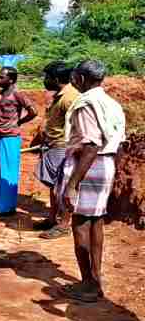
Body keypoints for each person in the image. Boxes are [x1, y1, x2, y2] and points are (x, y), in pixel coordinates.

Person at [57, 60, 125, 303]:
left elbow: (91, 144)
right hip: (105, 164)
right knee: (95, 223)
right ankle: (95, 279)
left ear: (83, 78)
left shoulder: (86, 104)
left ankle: (89, 284)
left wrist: (73, 184)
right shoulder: (112, 103)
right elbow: (117, 144)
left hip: (88, 165)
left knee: (80, 224)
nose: (73, 80)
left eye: (75, 77)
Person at [33, 61, 79, 239]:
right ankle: (52, 218)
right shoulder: (61, 96)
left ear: (57, 78)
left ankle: (63, 225)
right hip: (53, 146)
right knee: (53, 185)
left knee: (62, 186)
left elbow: (77, 124)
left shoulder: (70, 98)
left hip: (62, 147)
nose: (45, 80)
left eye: (47, 77)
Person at [0, 67, 37, 216]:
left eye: (1, 77)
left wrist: (19, 122)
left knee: (9, 173)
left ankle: (7, 207)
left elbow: (33, 111)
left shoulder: (17, 95)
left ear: (11, 80)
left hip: (11, 138)